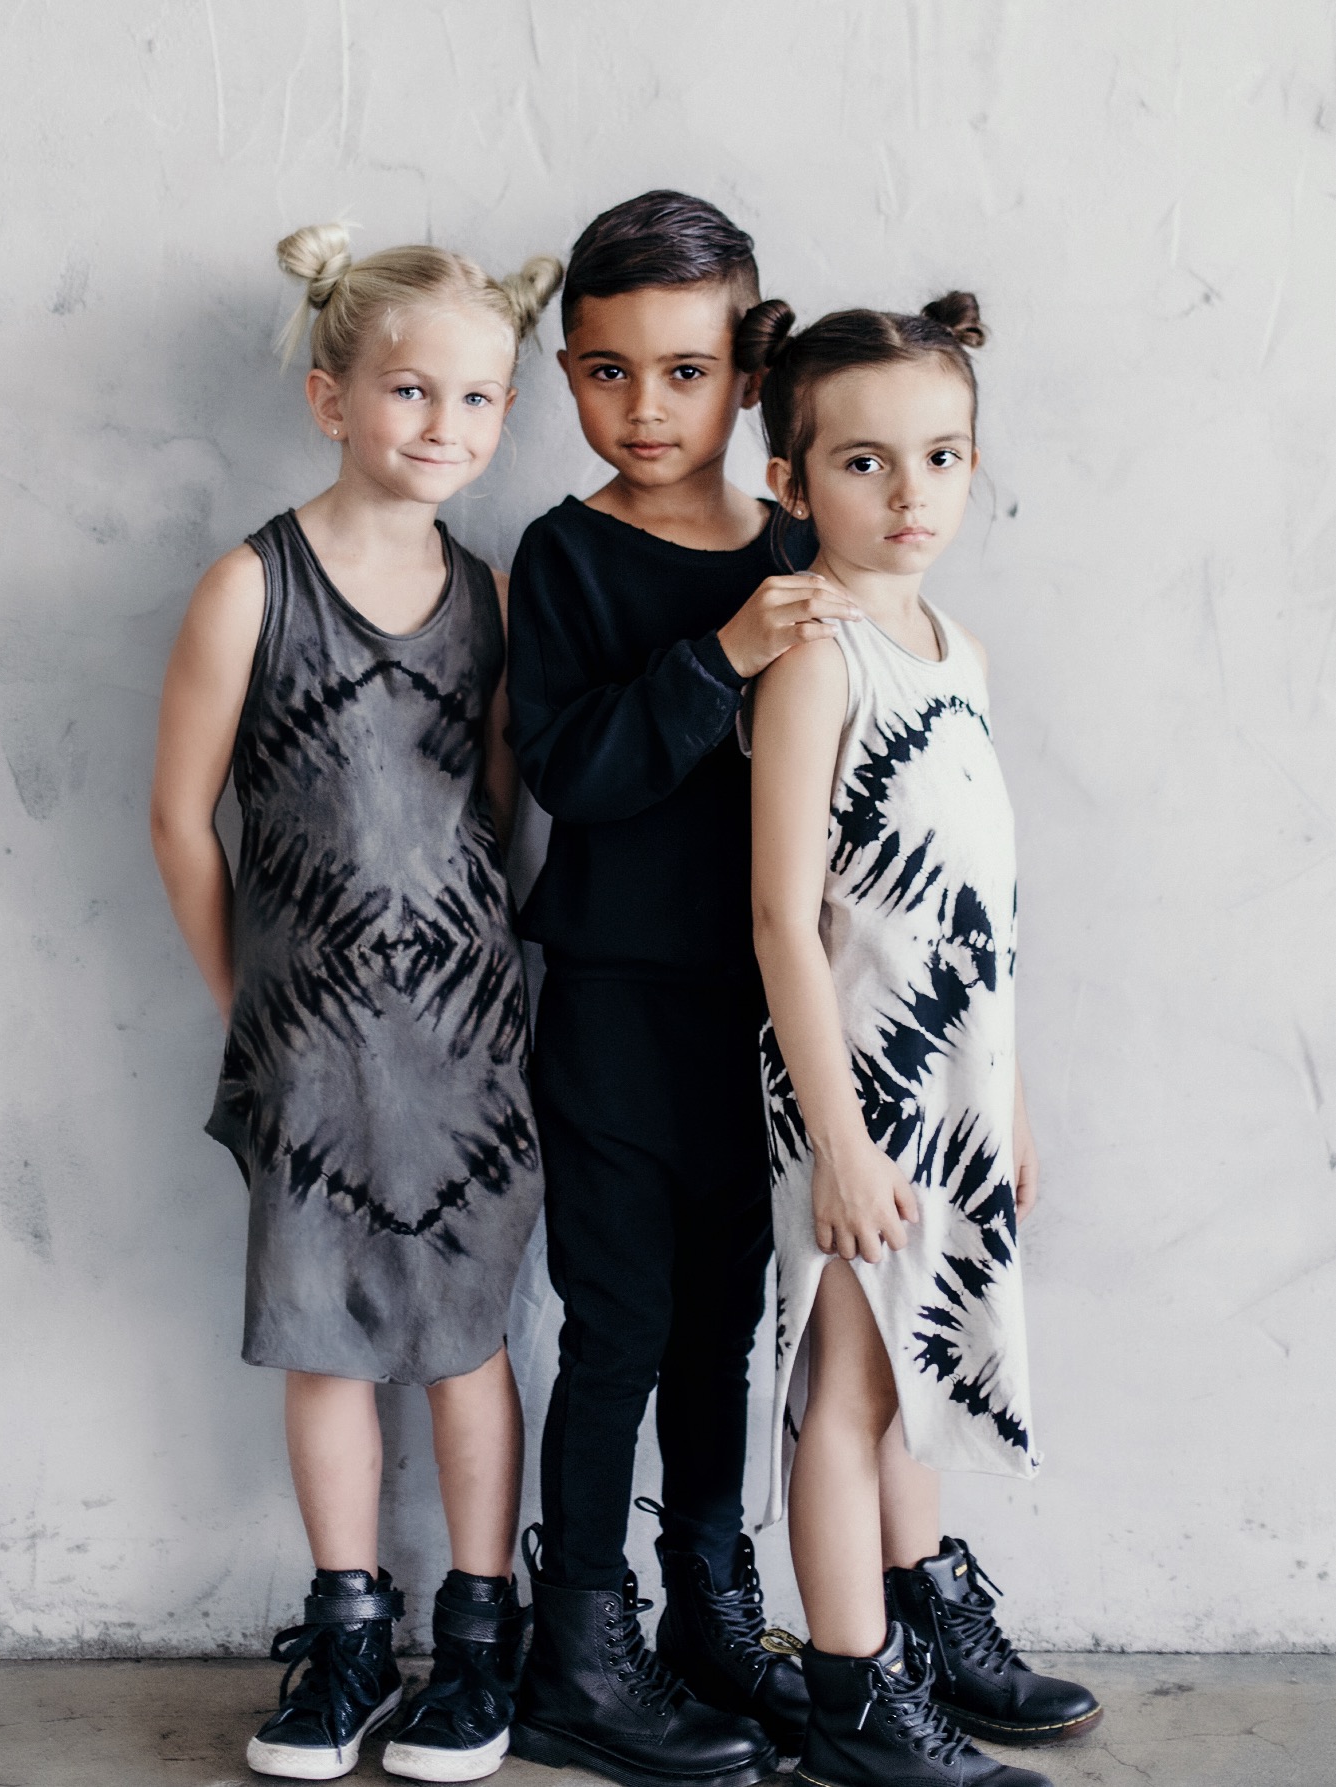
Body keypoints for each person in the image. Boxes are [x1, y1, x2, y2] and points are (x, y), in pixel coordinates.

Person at [149, 224, 560, 1783]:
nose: (445, 425)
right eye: (409, 390)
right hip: (307, 1057)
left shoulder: (496, 601)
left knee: (466, 1345)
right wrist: (246, 1001)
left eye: (478, 397)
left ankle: (477, 1640)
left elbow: (501, 821)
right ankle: (344, 1641)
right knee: (322, 1340)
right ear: (330, 397)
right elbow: (181, 819)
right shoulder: (248, 589)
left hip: (467, 1055)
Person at [504, 191, 859, 1787]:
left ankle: (710, 1610)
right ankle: (578, 1650)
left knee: (726, 1329)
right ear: (567, 375)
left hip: (764, 1015)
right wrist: (719, 657)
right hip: (612, 1009)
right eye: (607, 371)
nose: (645, 408)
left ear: (747, 377)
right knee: (619, 1332)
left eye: (686, 371)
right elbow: (570, 769)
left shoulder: (795, 548)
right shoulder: (564, 555)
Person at [743, 294, 1101, 1787]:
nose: (911, 494)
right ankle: (853, 1698)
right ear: (789, 481)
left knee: (914, 1368)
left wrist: (1004, 1103)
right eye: (864, 462)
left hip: (953, 1084)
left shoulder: (956, 648)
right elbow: (782, 916)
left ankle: (922, 1620)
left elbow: (979, 912)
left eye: (941, 457)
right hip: (856, 1090)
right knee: (851, 1385)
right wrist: (837, 1139)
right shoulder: (820, 656)